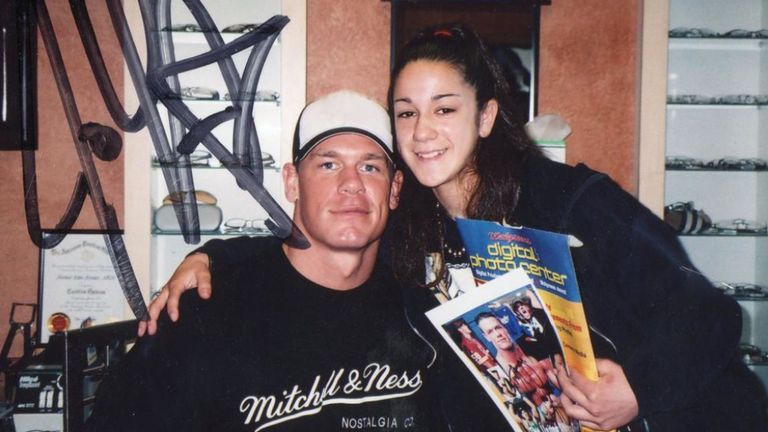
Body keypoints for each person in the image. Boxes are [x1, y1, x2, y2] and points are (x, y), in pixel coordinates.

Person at [143, 23, 768, 431]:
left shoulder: (571, 200)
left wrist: (636, 390)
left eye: (445, 109)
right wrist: (217, 257)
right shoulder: (415, 231)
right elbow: (331, 239)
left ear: (488, 115)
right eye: (407, 113)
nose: (422, 131)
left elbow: (710, 316)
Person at [85, 90, 448, 431]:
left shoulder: (422, 306)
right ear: (292, 183)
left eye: (370, 167)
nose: (351, 183)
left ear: (395, 189)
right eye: (328, 165)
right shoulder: (206, 312)